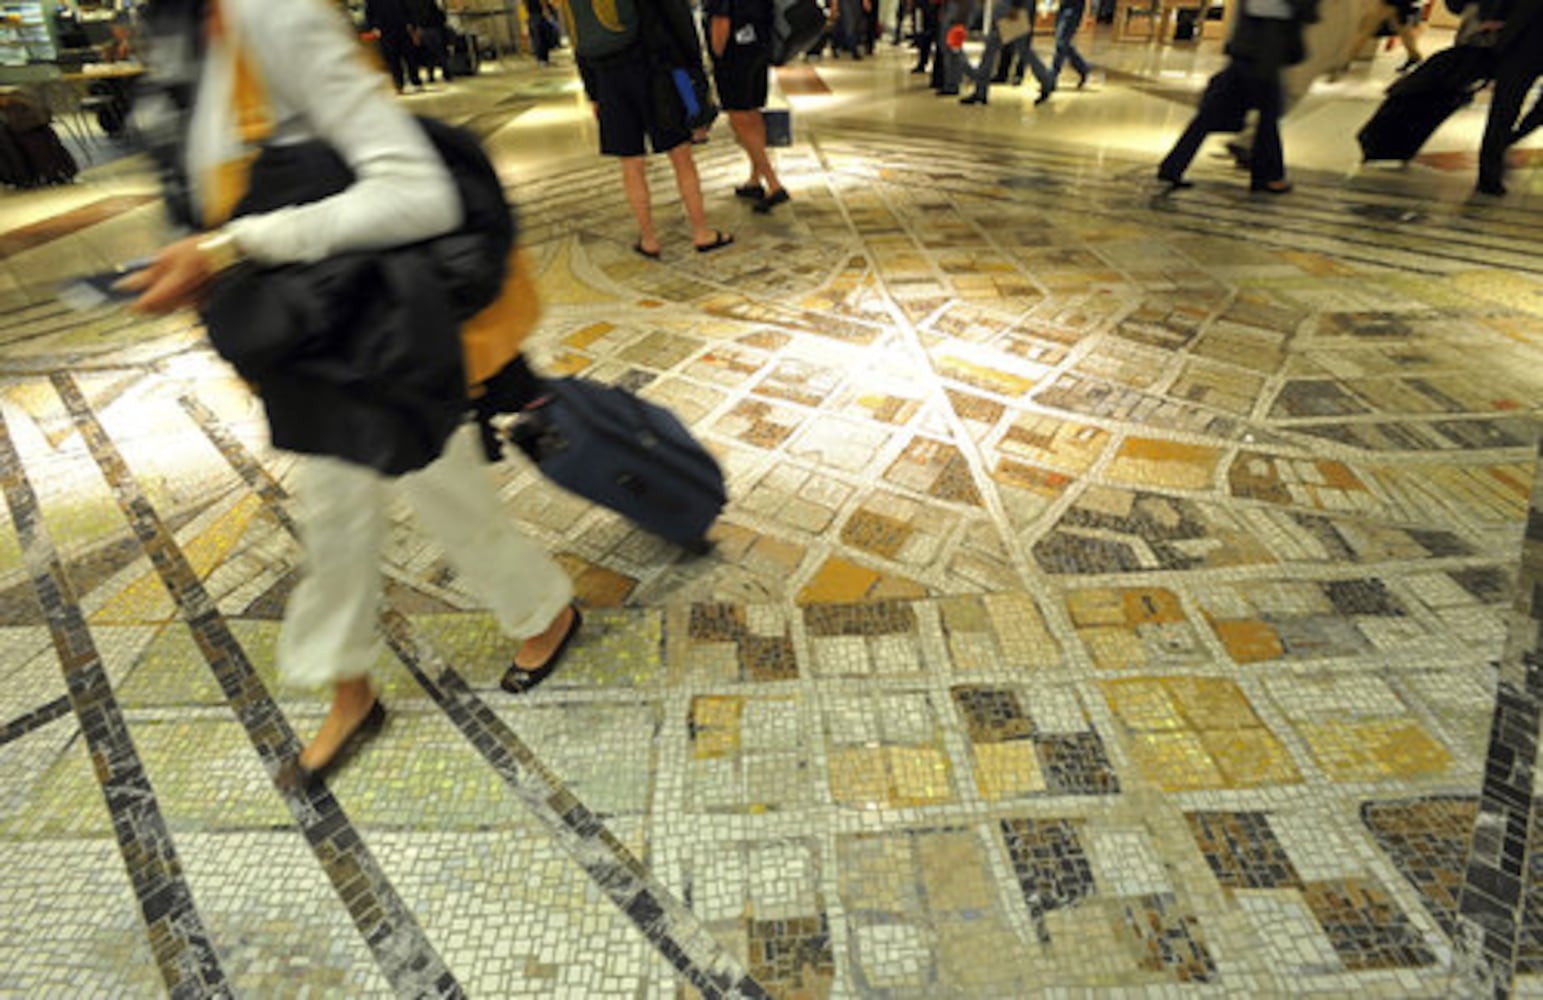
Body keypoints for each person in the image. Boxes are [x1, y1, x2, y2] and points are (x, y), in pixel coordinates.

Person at [127, 0, 581, 789]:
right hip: (306, 330)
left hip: (361, 322)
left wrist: (232, 245)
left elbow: (417, 194)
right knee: (411, 489)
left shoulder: (275, 17)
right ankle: (517, 618)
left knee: (361, 503)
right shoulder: (181, 36)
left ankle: (371, 678)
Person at [569, 0, 732, 255]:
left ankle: (648, 239)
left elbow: (576, 38)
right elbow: (678, 19)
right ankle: (702, 233)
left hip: (607, 79)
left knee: (631, 164)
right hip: (655, 69)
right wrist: (694, 70)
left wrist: (594, 93)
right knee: (681, 156)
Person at [1156, 0, 1319, 193]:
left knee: (1211, 113)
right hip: (1267, 45)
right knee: (1268, 114)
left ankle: (1173, 166)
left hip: (1247, 43)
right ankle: (1268, 176)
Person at [706, 0, 791, 211]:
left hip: (734, 54)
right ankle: (755, 179)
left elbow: (721, 20)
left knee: (738, 118)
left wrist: (717, 56)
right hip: (759, 46)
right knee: (752, 112)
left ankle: (773, 184)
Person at [1475, 0, 1543, 195]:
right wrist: (1490, 16)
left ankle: (1507, 140)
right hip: (1524, 37)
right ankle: (1488, 174)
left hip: (1526, 35)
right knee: (1505, 107)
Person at [961, 0, 1034, 104]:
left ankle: (980, 89)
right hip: (1010, 5)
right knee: (1019, 47)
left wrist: (1016, 6)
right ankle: (980, 89)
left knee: (994, 47)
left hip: (1010, 5)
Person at [1342, 0, 1422, 74]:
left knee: (1367, 28)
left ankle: (1346, 60)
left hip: (1392, 3)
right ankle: (1414, 56)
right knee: (1403, 30)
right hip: (1396, 3)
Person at [1036, 0, 1091, 103]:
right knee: (1062, 43)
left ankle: (1052, 77)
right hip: (1063, 6)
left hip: (1074, 8)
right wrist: (1048, 4)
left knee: (1061, 42)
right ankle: (1082, 67)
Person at [365, 0, 424, 93]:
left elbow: (407, 9)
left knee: (409, 57)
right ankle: (399, 84)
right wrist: (374, 27)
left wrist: (411, 24)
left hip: (401, 29)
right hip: (386, 31)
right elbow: (369, 14)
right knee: (393, 59)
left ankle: (415, 81)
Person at [406, 0, 452, 82]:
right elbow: (438, 13)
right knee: (440, 52)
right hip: (434, 27)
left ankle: (431, 75)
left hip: (422, 28)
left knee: (428, 53)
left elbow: (410, 16)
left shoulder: (409, 3)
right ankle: (446, 73)